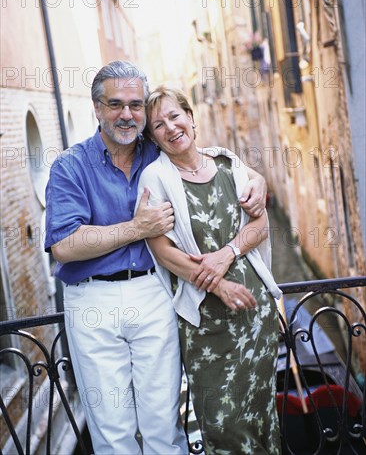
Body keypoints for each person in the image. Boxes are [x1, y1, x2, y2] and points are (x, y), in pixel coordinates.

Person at [44, 61, 267, 455]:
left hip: (154, 290)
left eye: (135, 104)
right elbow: (64, 244)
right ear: (97, 108)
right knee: (114, 430)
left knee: (164, 422)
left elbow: (215, 160)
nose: (127, 114)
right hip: (93, 299)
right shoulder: (70, 166)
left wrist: (258, 181)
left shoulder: (159, 151)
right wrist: (136, 227)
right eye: (115, 104)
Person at [137, 86, 283, 455]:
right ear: (153, 137)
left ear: (190, 117)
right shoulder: (155, 178)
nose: (170, 127)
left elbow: (260, 224)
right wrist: (219, 286)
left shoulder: (228, 164)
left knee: (262, 416)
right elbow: (162, 250)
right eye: (158, 125)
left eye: (175, 116)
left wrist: (227, 253)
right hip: (205, 324)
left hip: (254, 314)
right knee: (222, 427)